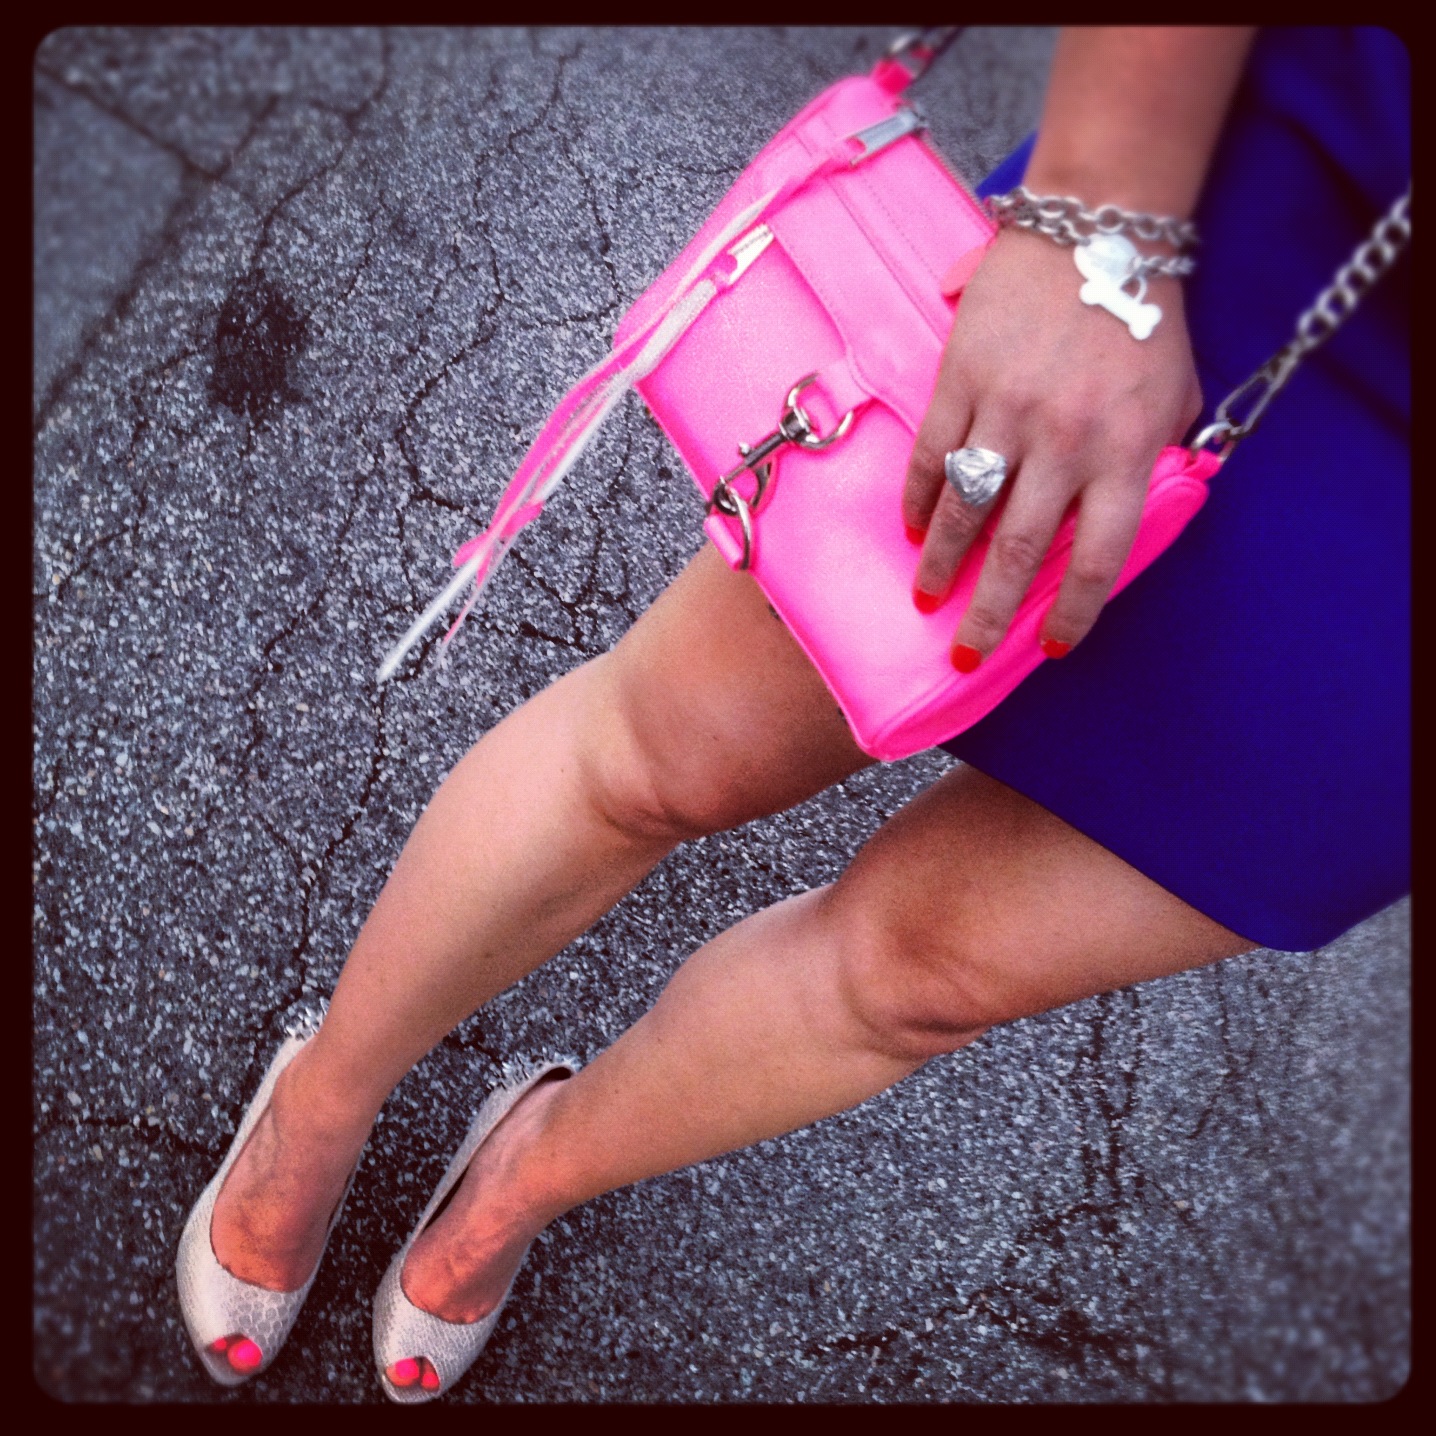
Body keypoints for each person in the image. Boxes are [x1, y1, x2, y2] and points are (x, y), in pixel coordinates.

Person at [175, 26, 1410, 1400]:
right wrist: (1103, 215)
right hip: (1247, 233)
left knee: (920, 979)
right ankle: (319, 1106)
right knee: (665, 756)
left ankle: (525, 1175)